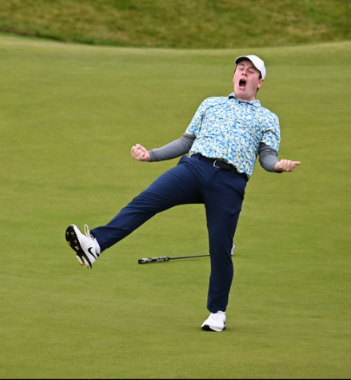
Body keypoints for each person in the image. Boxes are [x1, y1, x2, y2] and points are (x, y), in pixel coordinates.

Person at [65, 55, 301, 332]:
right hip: (194, 167)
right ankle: (96, 245)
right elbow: (186, 140)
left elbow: (267, 157)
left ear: (259, 82)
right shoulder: (211, 103)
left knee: (220, 247)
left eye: (250, 72)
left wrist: (278, 166)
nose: (244, 73)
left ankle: (217, 312)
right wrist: (150, 155)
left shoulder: (267, 118)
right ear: (235, 74)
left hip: (229, 182)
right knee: (145, 201)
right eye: (240, 69)